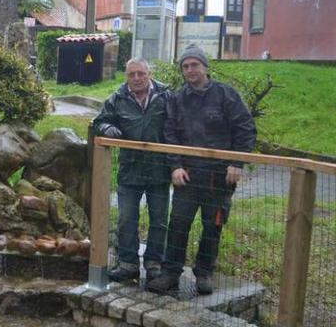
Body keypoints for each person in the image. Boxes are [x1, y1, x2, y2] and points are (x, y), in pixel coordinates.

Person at [147, 44, 256, 295]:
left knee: (212, 226)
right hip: (187, 176)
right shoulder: (177, 99)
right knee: (177, 225)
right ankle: (170, 273)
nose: (190, 70)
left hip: (219, 179)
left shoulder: (226, 95)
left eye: (194, 64)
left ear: (205, 67)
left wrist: (237, 162)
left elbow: (245, 128)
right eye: (185, 66)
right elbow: (170, 134)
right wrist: (175, 165)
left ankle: (204, 273)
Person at [92, 58, 171, 283]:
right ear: (126, 76)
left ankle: (154, 264)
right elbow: (99, 121)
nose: (136, 78)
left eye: (140, 74)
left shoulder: (166, 96)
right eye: (131, 74)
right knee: (127, 218)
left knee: (159, 220)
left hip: (159, 170)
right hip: (130, 170)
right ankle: (128, 264)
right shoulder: (117, 98)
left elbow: (177, 125)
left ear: (149, 73)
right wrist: (107, 127)